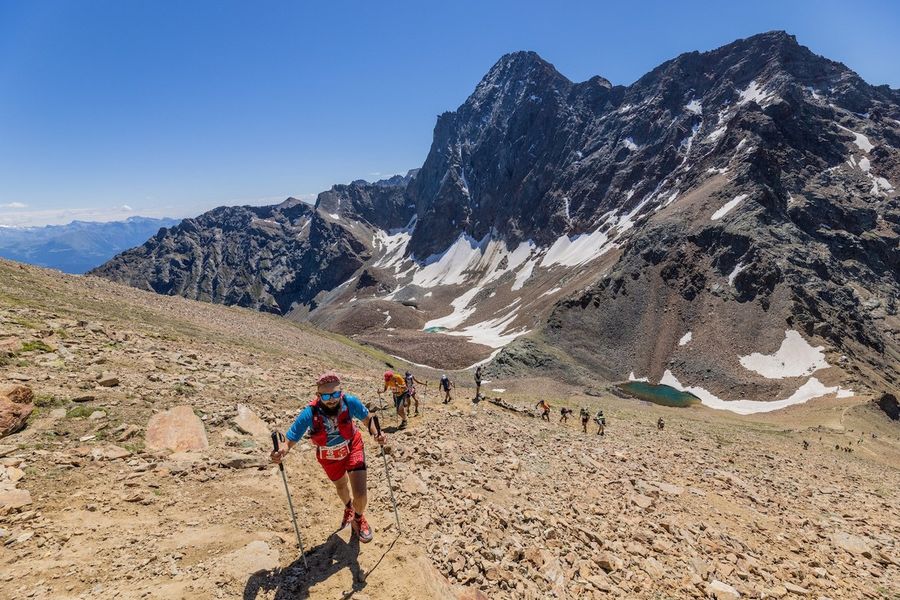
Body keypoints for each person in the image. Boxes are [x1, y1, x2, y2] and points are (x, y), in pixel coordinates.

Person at [270, 371, 385, 543]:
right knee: (341, 486)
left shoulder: (350, 402)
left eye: (335, 394)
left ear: (341, 392)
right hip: (329, 455)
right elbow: (289, 441)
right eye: (325, 395)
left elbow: (369, 420)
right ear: (318, 395)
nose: (331, 399)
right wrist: (281, 452)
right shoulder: (309, 413)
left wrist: (377, 435)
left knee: (360, 493)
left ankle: (358, 518)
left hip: (352, 445)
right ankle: (348, 508)